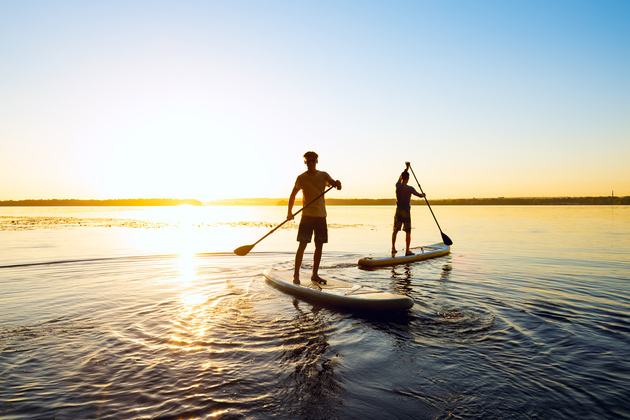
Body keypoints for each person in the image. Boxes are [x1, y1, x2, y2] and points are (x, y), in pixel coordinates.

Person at [287, 151, 342, 284]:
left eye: (313, 161)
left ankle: (315, 275)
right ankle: (296, 275)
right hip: (307, 216)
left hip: (321, 216)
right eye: (308, 161)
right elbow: (293, 195)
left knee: (319, 246)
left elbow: (336, 185)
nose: (310, 163)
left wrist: (337, 183)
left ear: (317, 161)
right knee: (302, 245)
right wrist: (289, 212)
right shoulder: (301, 178)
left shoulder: (323, 175)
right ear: (305, 162)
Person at [392, 162, 425, 257]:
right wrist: (423, 195)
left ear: (402, 178)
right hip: (406, 212)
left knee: (395, 230)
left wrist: (406, 168)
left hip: (398, 211)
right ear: (408, 178)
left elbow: (400, 177)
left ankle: (393, 248)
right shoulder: (410, 188)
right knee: (408, 231)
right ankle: (407, 251)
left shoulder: (397, 185)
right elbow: (418, 195)